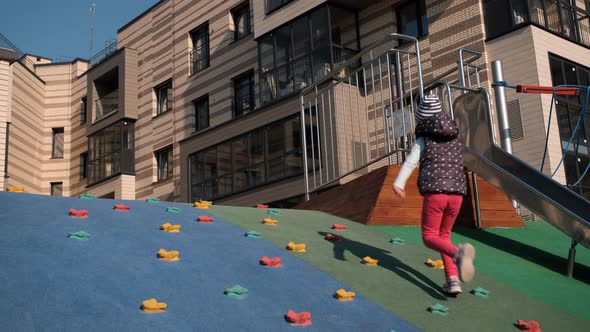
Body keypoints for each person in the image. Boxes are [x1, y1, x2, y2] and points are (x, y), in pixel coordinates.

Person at [392, 94, 476, 295]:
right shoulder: (456, 138)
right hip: (457, 195)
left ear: (422, 119)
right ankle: (453, 279)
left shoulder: (424, 139)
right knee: (443, 236)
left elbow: (411, 161)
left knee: (429, 237)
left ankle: (459, 253)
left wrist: (398, 183)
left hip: (436, 194)